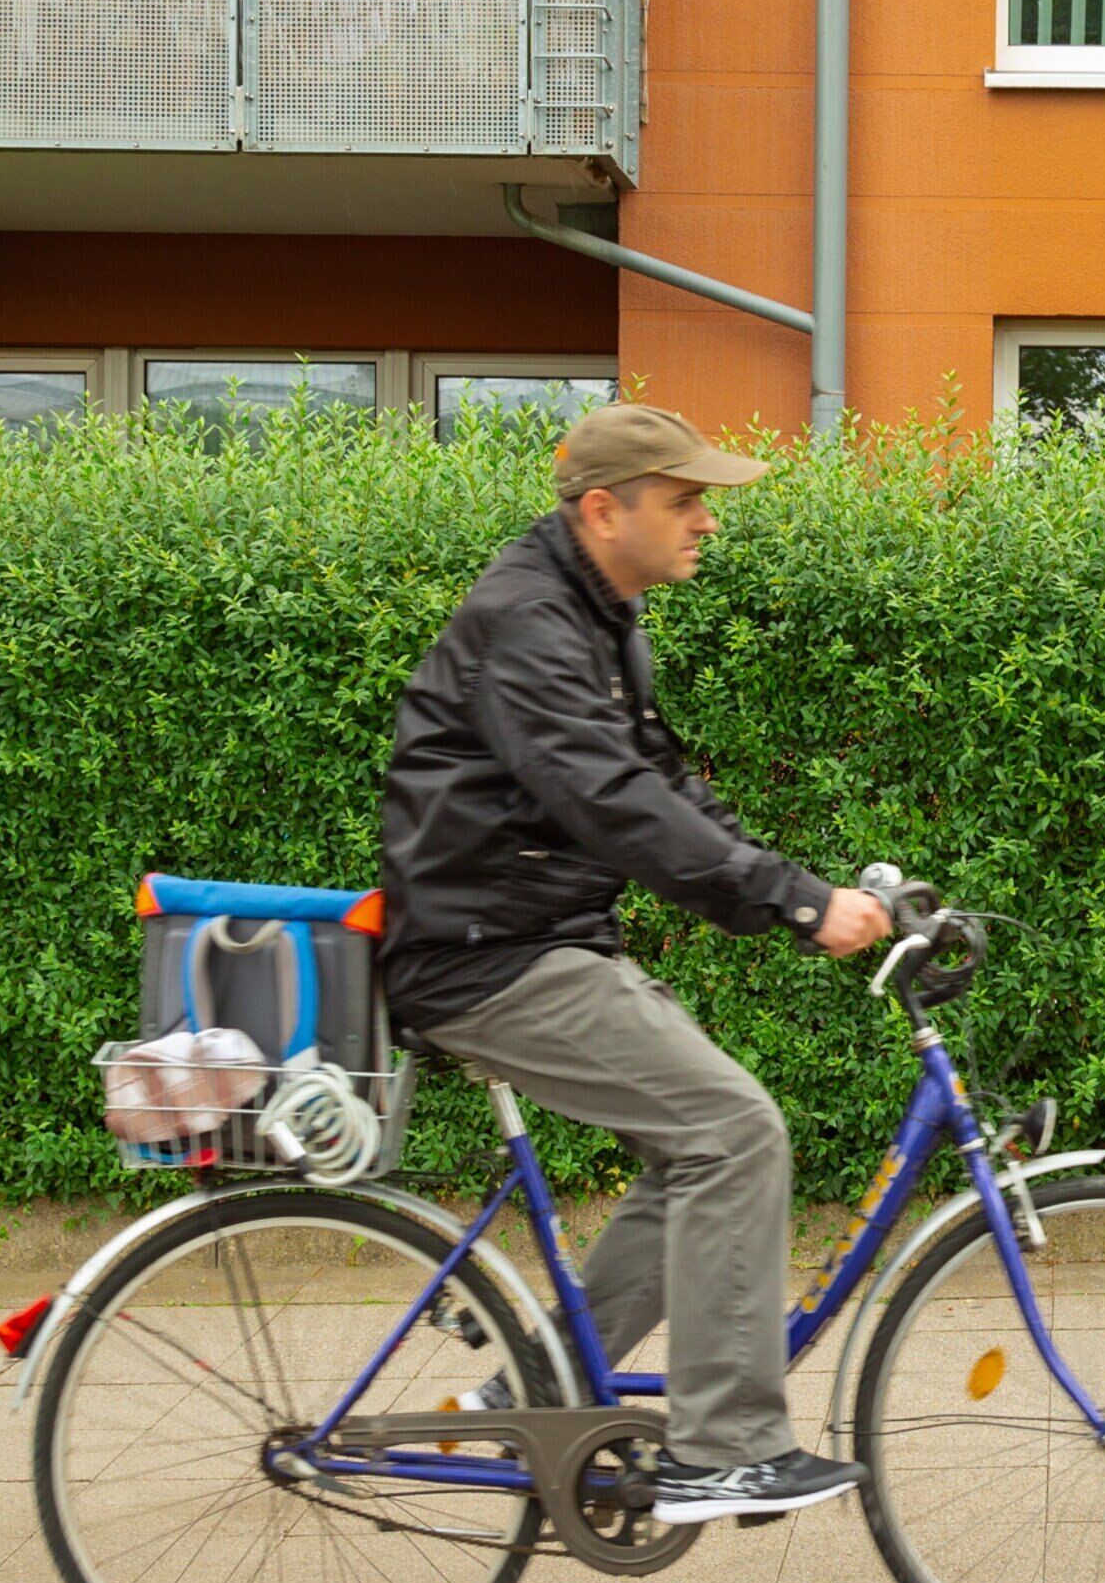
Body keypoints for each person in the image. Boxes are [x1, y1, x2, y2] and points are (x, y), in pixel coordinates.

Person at [375, 402, 892, 1523]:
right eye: (686, 499)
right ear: (606, 510)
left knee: (693, 1153)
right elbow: (607, 801)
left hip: (536, 942)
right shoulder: (528, 622)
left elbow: (659, 786)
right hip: (487, 957)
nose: (706, 520)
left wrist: (793, 886)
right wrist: (798, 907)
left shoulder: (599, 612)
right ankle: (724, 1450)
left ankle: (539, 1390)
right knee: (733, 1133)